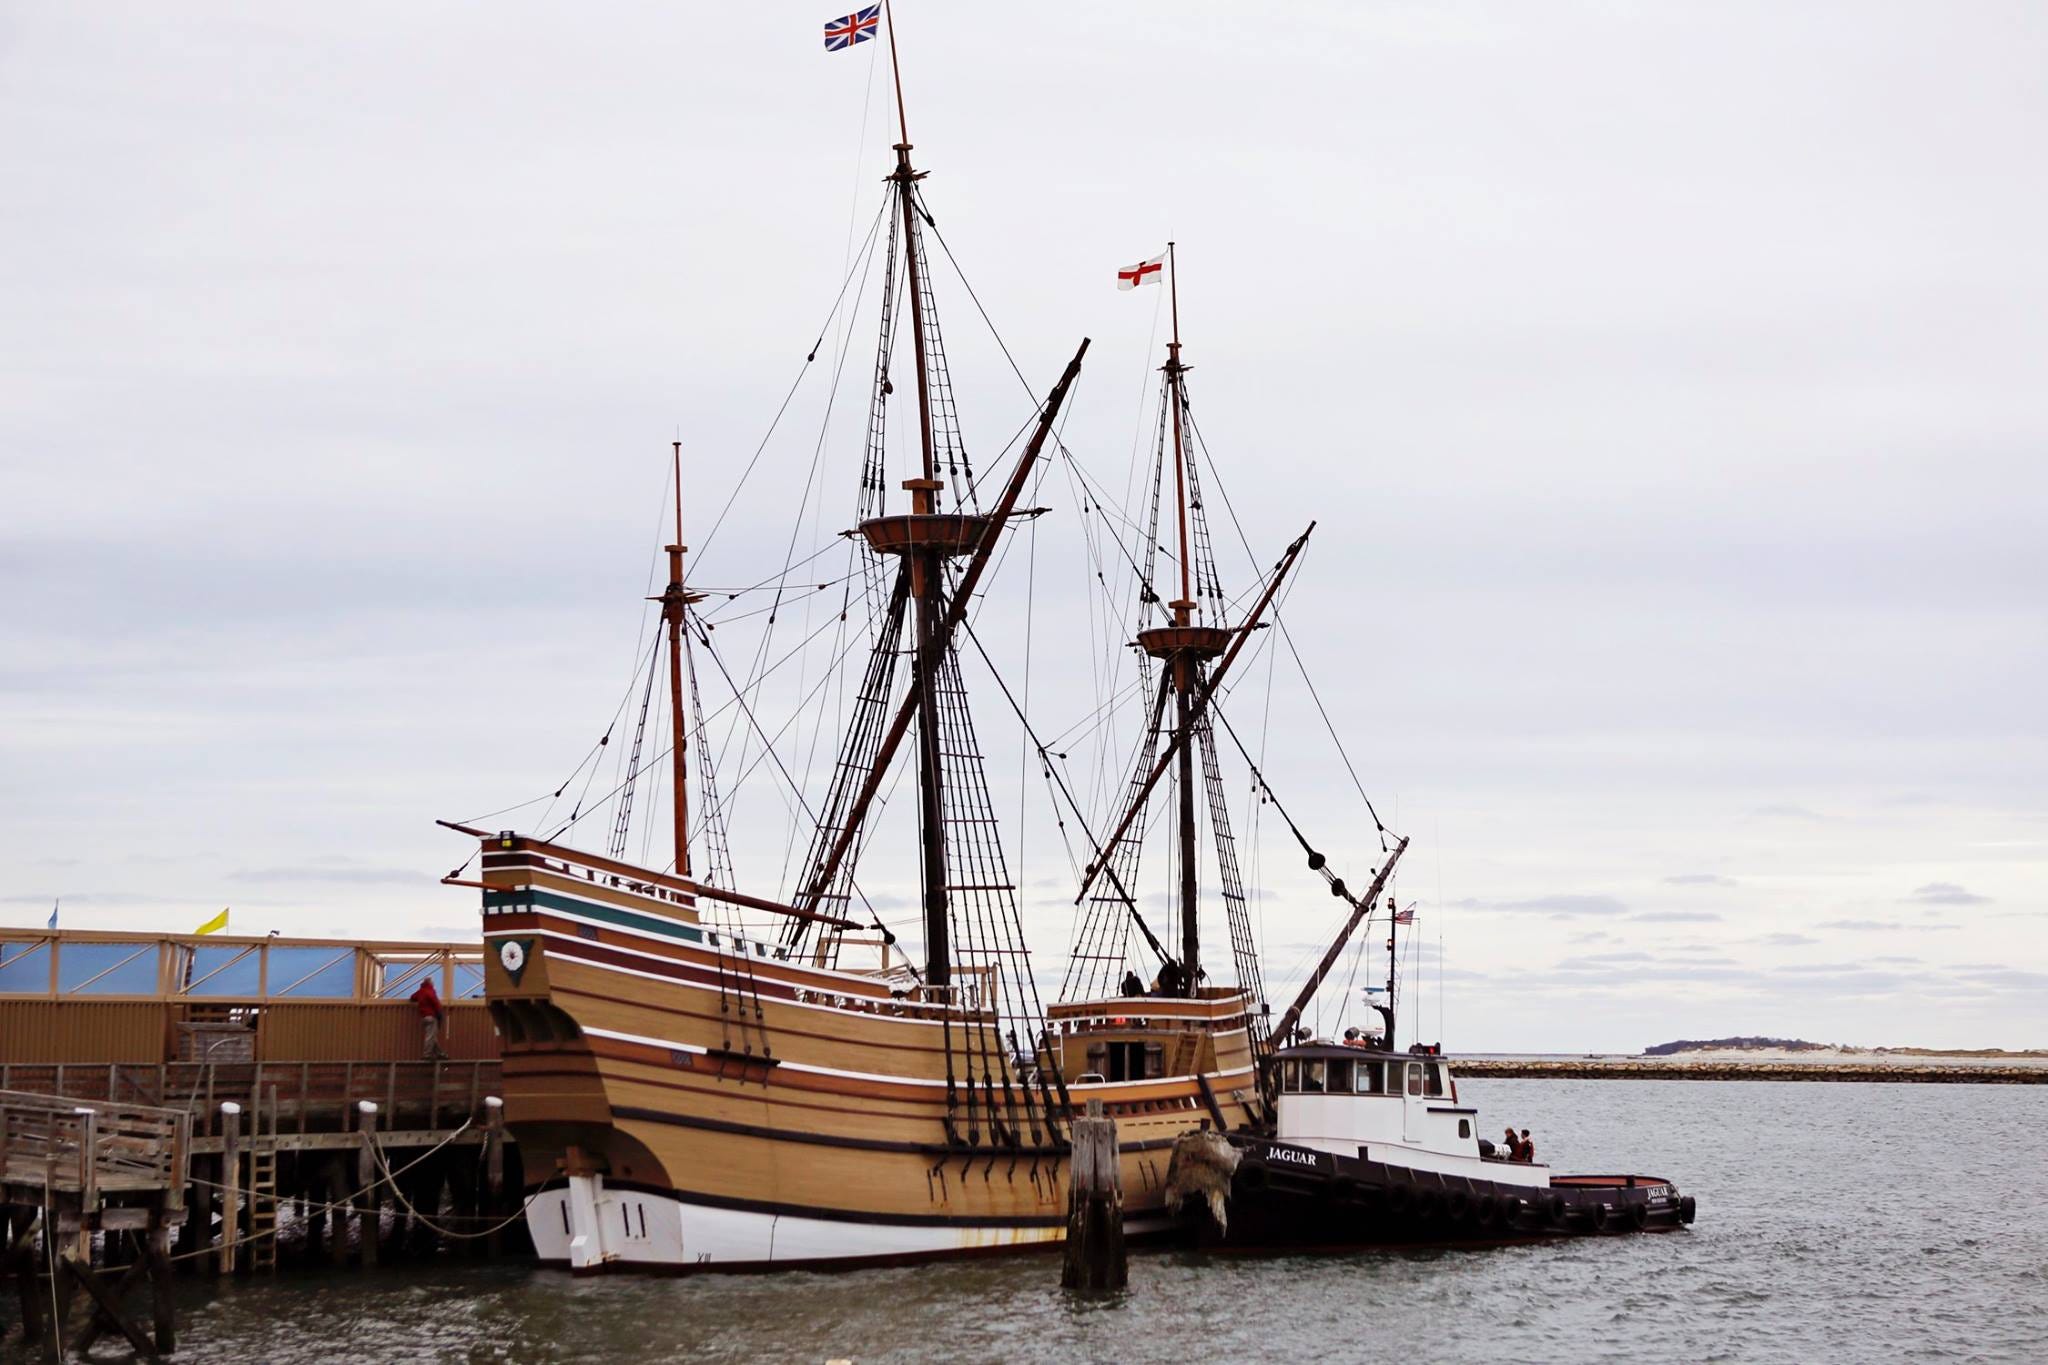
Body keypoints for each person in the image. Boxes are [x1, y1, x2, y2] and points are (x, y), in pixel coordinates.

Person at [410, 976, 448, 1060]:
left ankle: (440, 1053)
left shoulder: (420, 991)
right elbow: (436, 1003)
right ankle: (427, 1054)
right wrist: (440, 1015)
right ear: (430, 983)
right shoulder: (430, 991)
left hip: (424, 1017)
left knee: (432, 1036)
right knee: (430, 1036)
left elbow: (412, 998)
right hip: (431, 1016)